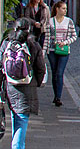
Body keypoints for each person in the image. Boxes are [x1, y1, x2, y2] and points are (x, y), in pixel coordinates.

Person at [1, 18, 47, 149]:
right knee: (21, 121)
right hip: (27, 89)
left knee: (15, 116)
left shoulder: (6, 44)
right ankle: (17, 146)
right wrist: (36, 83)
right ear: (29, 30)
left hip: (10, 87)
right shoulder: (33, 45)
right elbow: (41, 68)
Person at [42, 1, 78, 107]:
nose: (65, 10)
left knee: (59, 73)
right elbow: (47, 38)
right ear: (57, 9)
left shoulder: (69, 22)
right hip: (52, 51)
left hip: (64, 50)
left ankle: (58, 97)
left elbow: (74, 36)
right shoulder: (50, 21)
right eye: (63, 8)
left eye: (66, 8)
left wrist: (65, 42)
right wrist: (43, 53)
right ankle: (55, 94)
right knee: (54, 73)